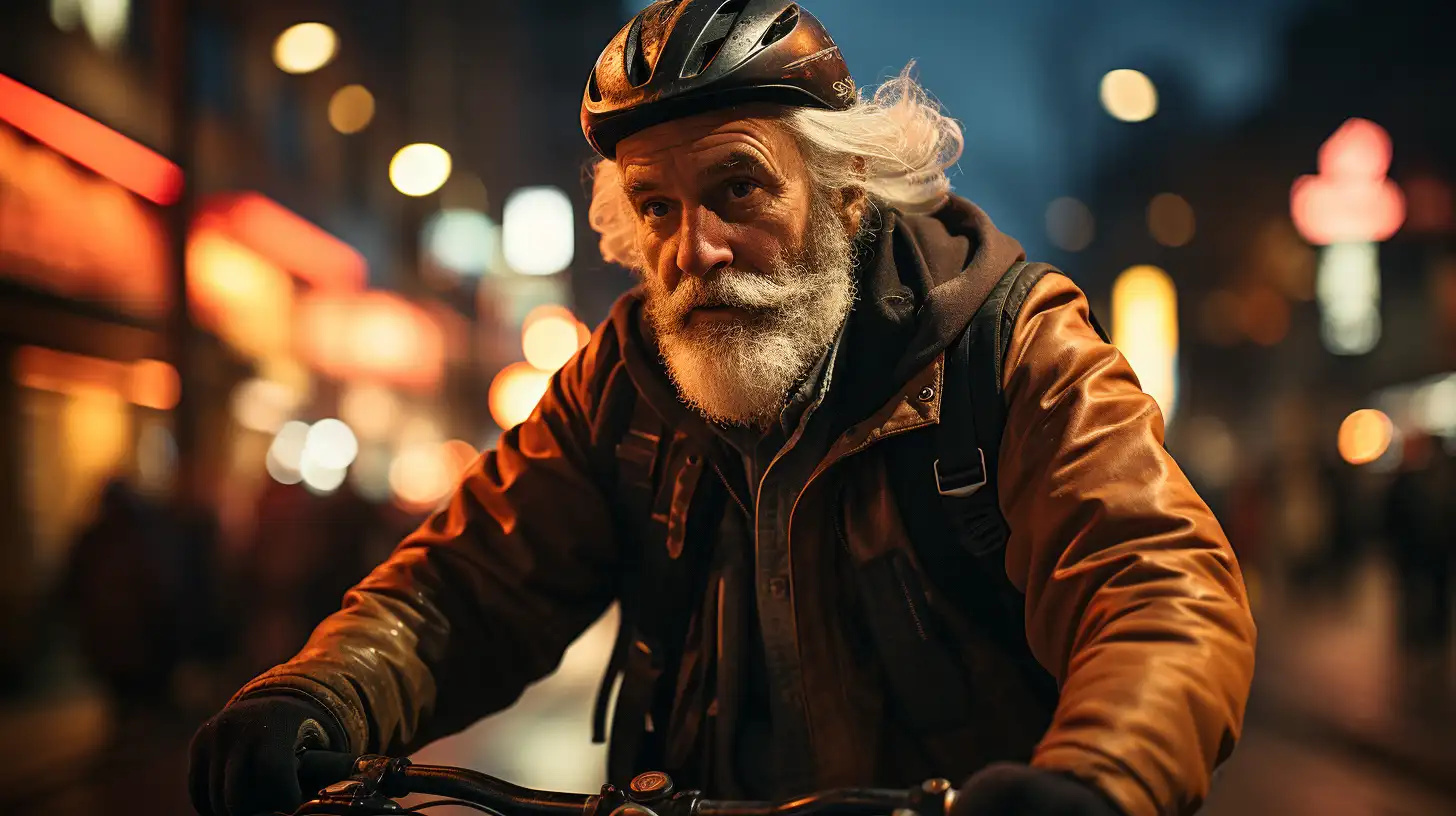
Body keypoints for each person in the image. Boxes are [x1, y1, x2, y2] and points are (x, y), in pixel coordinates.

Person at [188, 3, 1257, 815]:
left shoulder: (1011, 344)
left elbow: (1157, 589)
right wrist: (320, 694)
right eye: (656, 207)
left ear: (844, 191)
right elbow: (465, 588)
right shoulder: (624, 376)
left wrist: (1096, 783)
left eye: (737, 190)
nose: (692, 250)